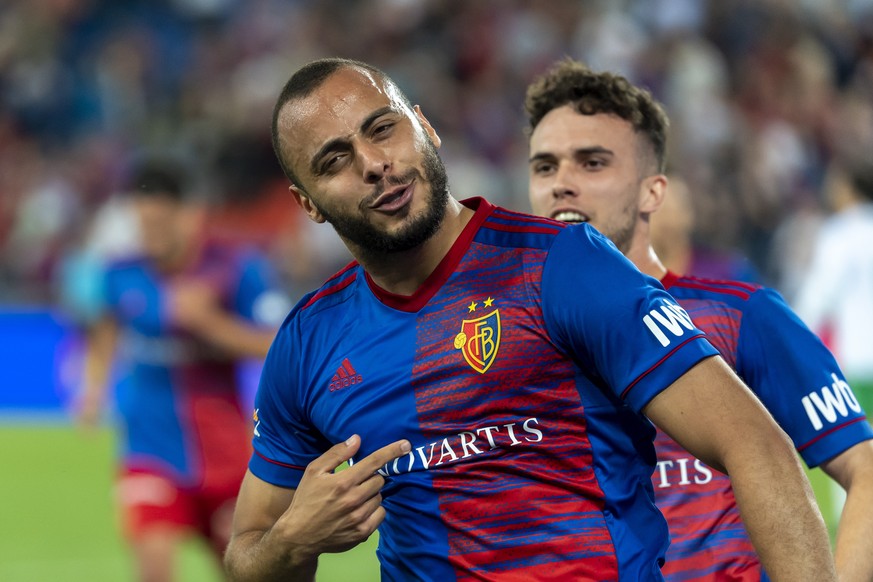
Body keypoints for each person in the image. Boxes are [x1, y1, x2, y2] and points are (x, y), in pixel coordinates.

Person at [224, 57, 836, 582]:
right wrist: (291, 542)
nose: (374, 163)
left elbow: (753, 444)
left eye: (382, 129)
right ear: (307, 204)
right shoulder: (308, 342)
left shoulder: (561, 267)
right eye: (335, 160)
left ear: (425, 129)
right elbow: (247, 549)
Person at [525, 58, 873, 581]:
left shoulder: (740, 316)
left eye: (592, 163)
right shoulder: (506, 336)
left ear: (652, 192)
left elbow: (864, 468)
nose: (562, 185)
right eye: (545, 166)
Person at [76, 158, 287, 582]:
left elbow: (277, 345)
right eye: (143, 225)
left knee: (248, 573)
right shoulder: (121, 273)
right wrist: (93, 386)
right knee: (154, 568)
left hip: (226, 456)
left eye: (160, 224)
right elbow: (106, 330)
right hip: (149, 451)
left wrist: (210, 325)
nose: (150, 236)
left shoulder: (236, 268)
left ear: (190, 215)